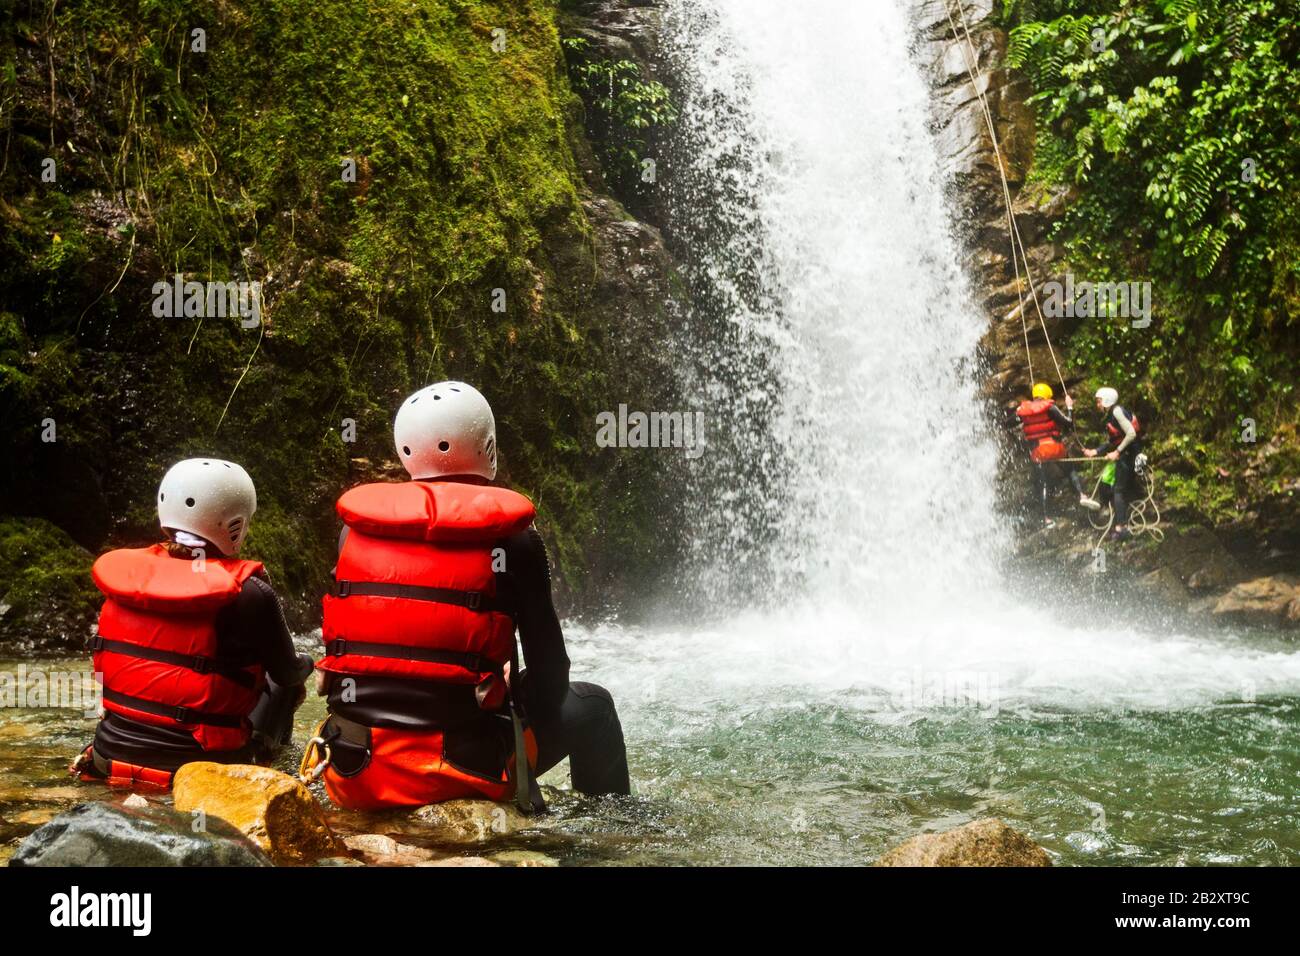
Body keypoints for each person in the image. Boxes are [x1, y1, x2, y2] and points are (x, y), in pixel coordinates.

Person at [310, 381, 630, 811]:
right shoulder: (513, 541)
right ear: (487, 445)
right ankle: (609, 842)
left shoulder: (354, 532)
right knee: (594, 705)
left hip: (354, 766)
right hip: (461, 770)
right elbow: (552, 677)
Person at [73, 459, 314, 790]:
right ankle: (271, 773)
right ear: (236, 523)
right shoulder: (250, 594)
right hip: (199, 772)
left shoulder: (127, 580)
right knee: (282, 686)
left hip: (108, 757)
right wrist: (308, 662)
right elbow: (287, 673)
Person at [1013, 382, 1099, 526]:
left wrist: (1017, 411)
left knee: (1042, 482)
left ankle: (1046, 518)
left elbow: (1008, 422)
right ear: (1047, 396)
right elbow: (1068, 423)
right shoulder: (1050, 407)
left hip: (1038, 451)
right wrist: (1070, 407)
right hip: (1054, 448)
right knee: (1070, 469)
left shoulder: (1024, 411)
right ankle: (1081, 495)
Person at [1082, 386, 1143, 541]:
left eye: (1099, 401)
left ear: (1107, 401)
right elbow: (1113, 440)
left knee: (1118, 490)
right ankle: (1117, 523)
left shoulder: (1116, 412)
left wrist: (1117, 452)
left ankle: (1121, 528)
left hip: (1129, 455)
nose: (1097, 405)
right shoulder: (1112, 415)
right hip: (1125, 454)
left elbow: (1131, 434)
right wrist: (1095, 451)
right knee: (1115, 487)